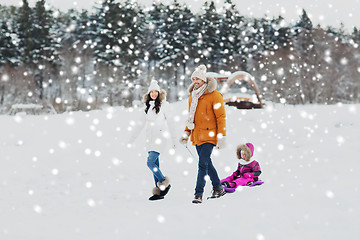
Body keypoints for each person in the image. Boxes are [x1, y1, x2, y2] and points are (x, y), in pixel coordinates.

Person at [179, 64, 227, 204]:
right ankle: (218, 187)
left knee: (202, 165)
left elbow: (221, 117)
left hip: (210, 136)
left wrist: (221, 136)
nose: (195, 81)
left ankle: (198, 194)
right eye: (193, 79)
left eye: (197, 79)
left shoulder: (214, 95)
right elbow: (190, 117)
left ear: (204, 80)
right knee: (207, 163)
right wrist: (186, 133)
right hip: (197, 136)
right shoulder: (192, 96)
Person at [129, 80, 175, 201]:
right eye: (152, 92)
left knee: (150, 163)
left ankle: (164, 182)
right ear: (149, 93)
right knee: (155, 164)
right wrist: (132, 138)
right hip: (150, 140)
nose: (154, 94)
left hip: (160, 138)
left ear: (159, 93)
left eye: (156, 92)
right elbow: (140, 124)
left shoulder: (164, 105)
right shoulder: (147, 107)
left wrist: (175, 139)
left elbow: (171, 123)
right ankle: (159, 192)